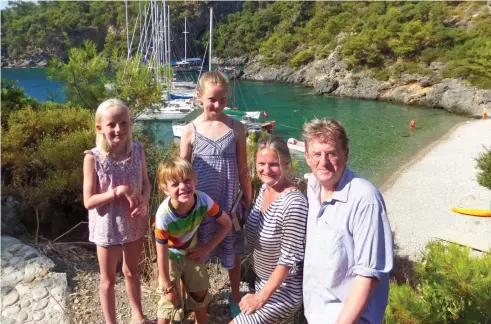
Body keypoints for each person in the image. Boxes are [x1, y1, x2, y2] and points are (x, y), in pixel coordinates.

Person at [302, 118, 394, 324]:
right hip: (316, 315)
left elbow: (368, 275)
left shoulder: (364, 198)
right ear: (307, 157)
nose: (323, 161)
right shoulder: (313, 189)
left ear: (346, 154)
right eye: (316, 154)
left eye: (332, 153)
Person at [180, 71, 253, 318]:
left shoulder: (237, 128)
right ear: (199, 96)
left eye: (222, 99)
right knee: (195, 253)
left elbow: (244, 169)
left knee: (231, 251)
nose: (217, 104)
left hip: (228, 202)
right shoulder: (190, 130)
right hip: (199, 205)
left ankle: (234, 297)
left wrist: (249, 200)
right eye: (212, 99)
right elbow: (182, 171)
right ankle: (198, 298)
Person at [83, 98, 151, 324]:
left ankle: (137, 316)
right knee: (108, 280)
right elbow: (89, 201)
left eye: (123, 123)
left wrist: (144, 200)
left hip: (133, 223)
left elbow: (146, 183)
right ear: (100, 127)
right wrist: (117, 191)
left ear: (130, 124)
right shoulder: (93, 158)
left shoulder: (138, 150)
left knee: (132, 271)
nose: (118, 129)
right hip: (107, 227)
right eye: (112, 124)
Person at [232, 136, 308, 324]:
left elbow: (288, 261)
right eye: (262, 163)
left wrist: (260, 299)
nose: (266, 170)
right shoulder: (266, 189)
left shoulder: (293, 203)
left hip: (285, 291)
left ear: (287, 163)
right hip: (263, 283)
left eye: (274, 164)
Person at [154, 157, 232, 324]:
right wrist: (166, 285)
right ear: (165, 189)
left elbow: (227, 223)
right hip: (170, 256)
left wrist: (206, 248)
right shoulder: (163, 216)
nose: (183, 187)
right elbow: (160, 254)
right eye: (175, 184)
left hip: (191, 251)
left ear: (195, 180)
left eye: (187, 180)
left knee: (200, 292)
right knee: (169, 300)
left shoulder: (203, 201)